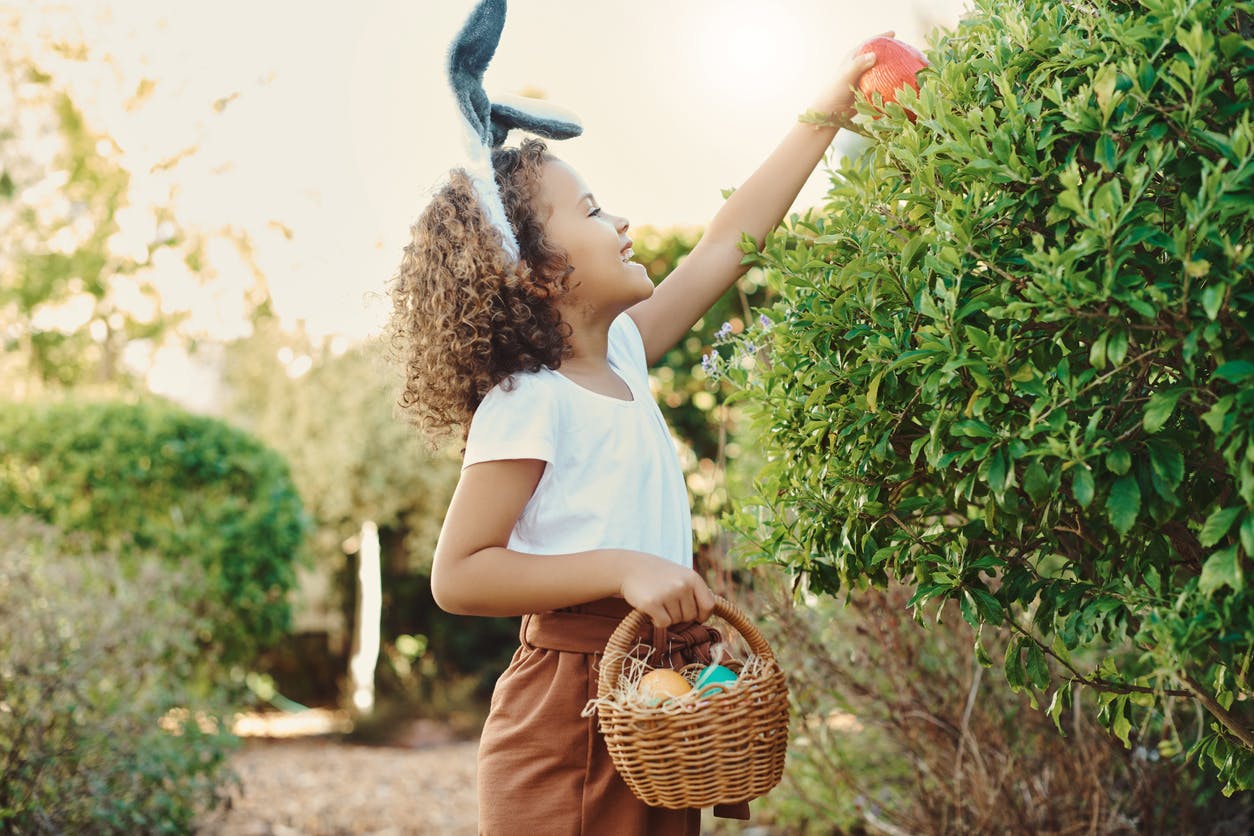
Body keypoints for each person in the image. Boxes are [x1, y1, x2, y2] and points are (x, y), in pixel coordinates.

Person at [387, 7, 884, 833]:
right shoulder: (530, 397)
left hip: (650, 690)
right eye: (590, 211)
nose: (618, 222)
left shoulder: (620, 355)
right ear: (537, 270)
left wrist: (826, 115)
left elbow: (727, 242)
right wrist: (623, 566)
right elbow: (462, 573)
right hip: (570, 715)